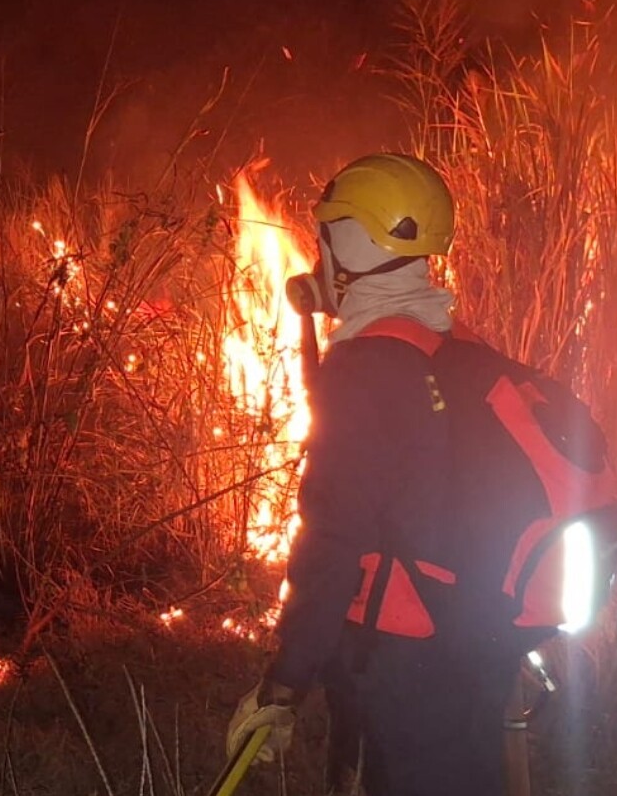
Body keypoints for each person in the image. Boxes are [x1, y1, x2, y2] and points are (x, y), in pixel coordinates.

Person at [224, 152, 527, 796]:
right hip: (481, 635)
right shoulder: (460, 348)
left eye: (325, 236)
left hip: (405, 654)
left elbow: (332, 541)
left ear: (350, 244)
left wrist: (285, 680)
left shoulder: (365, 372)